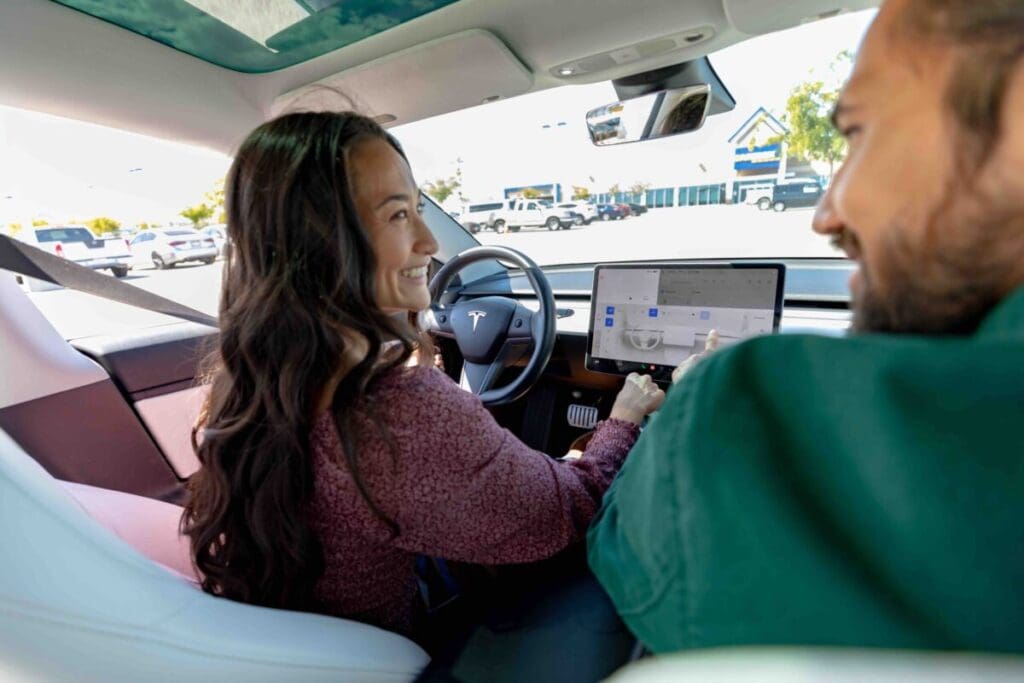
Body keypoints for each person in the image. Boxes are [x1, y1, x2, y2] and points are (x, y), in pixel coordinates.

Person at [588, 0, 1024, 655]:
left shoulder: (740, 412)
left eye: (856, 133)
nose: (825, 214)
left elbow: (619, 543)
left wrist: (694, 398)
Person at [181, 111, 666, 642]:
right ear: (320, 244)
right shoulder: (397, 412)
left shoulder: (249, 379)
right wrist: (623, 416)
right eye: (396, 216)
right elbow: (570, 511)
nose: (430, 242)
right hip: (402, 646)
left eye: (416, 209)